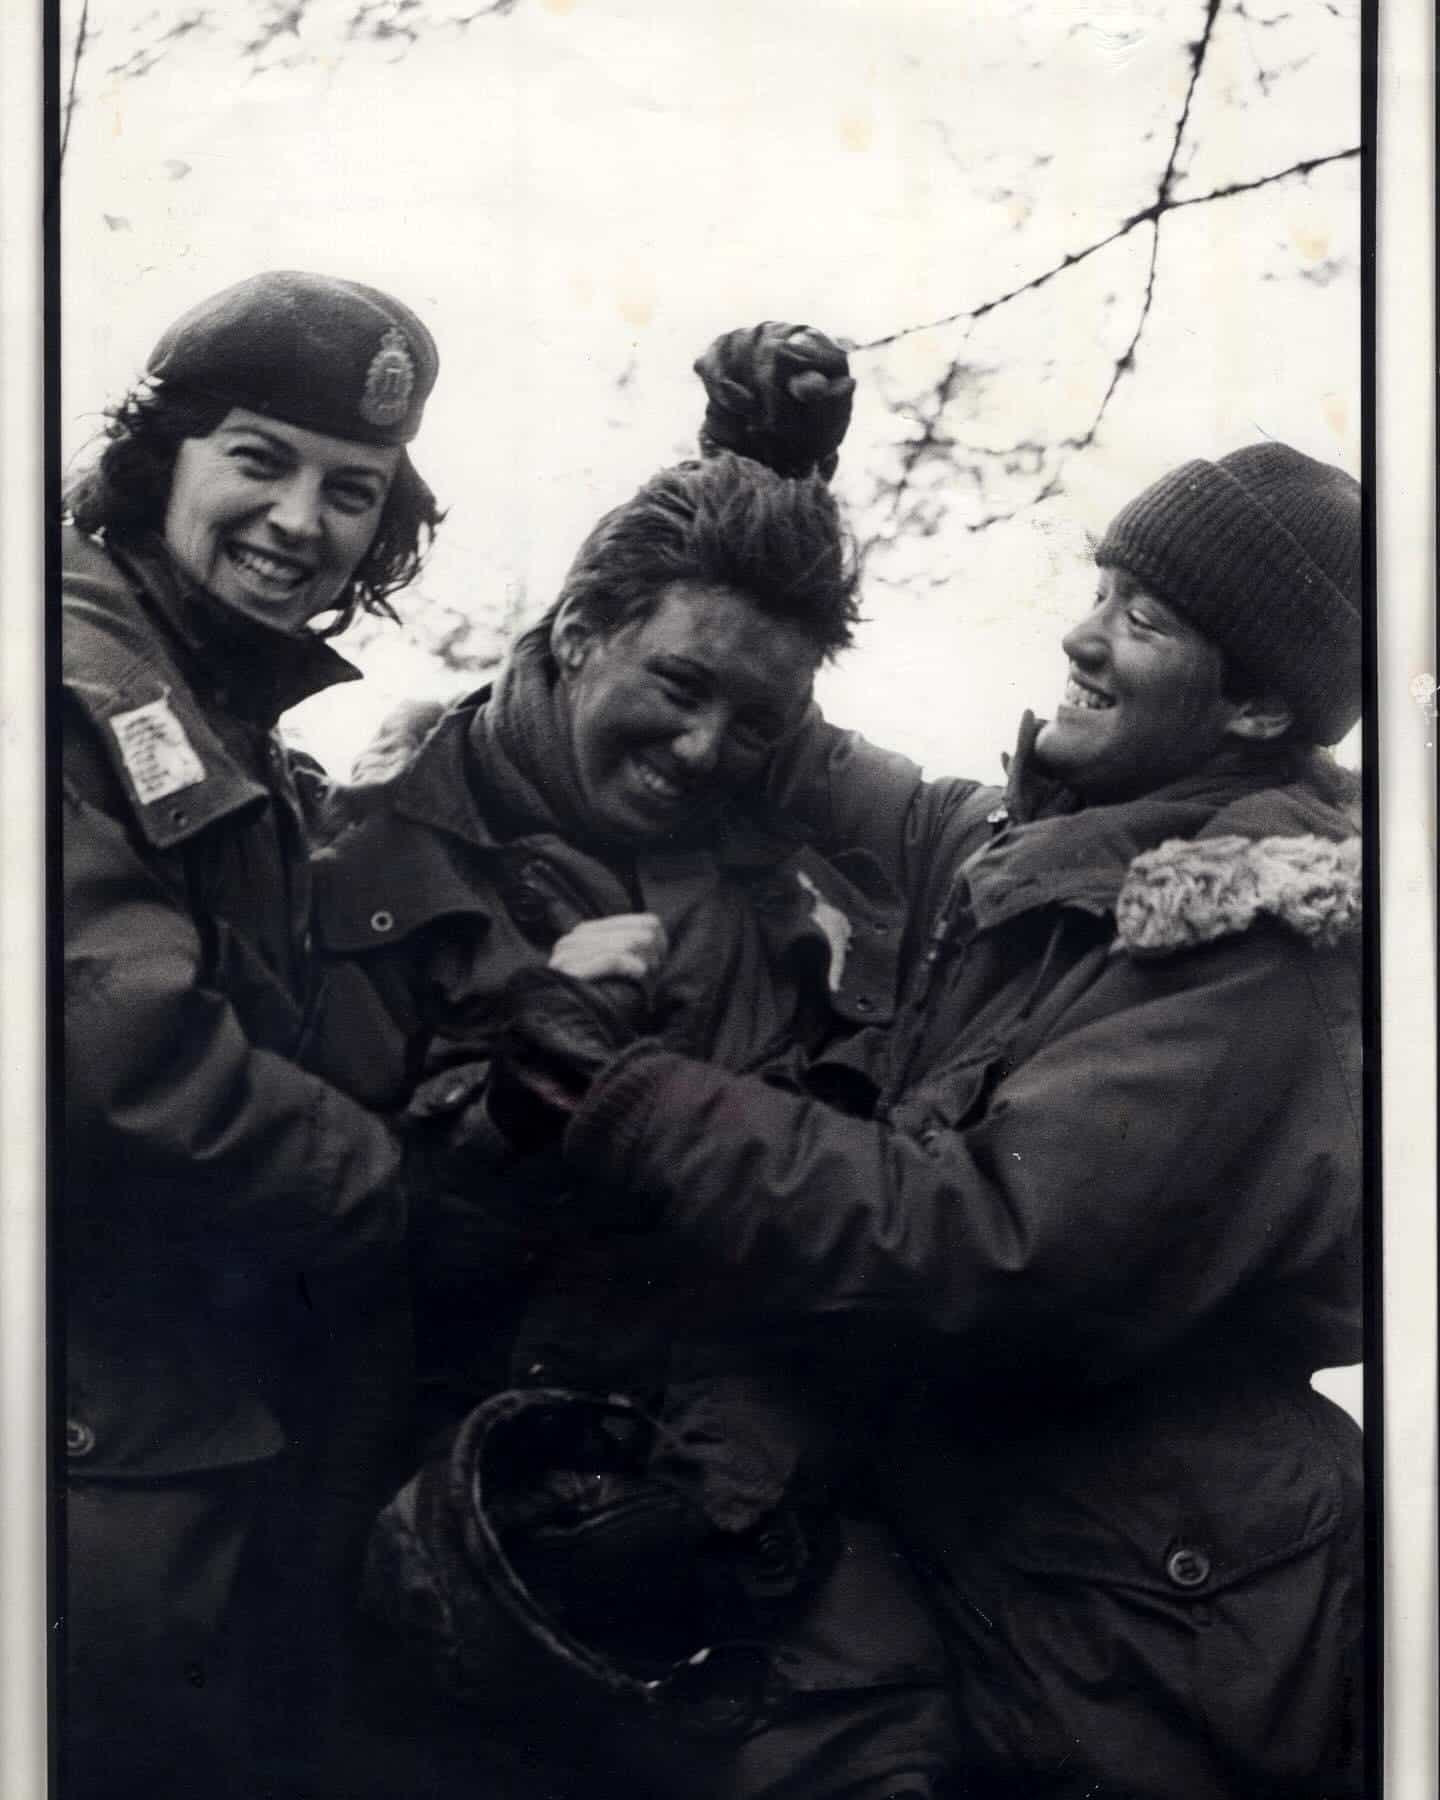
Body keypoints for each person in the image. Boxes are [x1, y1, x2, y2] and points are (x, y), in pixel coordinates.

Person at [483, 431, 1366, 1799]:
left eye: (1144, 621)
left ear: (1255, 709)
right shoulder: (1044, 850)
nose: (1082, 638)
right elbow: (759, 717)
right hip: (1022, 1567)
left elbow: (993, 1246)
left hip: (1129, 1642)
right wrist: (756, 491)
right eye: (1100, 589)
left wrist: (634, 1103)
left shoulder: (1250, 944)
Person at [308, 447, 961, 1798]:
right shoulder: (356, 870)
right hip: (427, 1576)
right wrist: (516, 1093)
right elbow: (316, 1256)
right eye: (679, 687)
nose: (706, 749)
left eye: (756, 722)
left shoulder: (790, 897)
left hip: (726, 1546)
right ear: (577, 631)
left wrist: (729, 1490)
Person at [61, 269, 446, 1797]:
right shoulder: (66, 686)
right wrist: (407, 1193)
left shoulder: (214, 718)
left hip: (152, 1432)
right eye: (260, 460)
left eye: (351, 490)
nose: (301, 521)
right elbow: (125, 1057)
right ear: (162, 455)